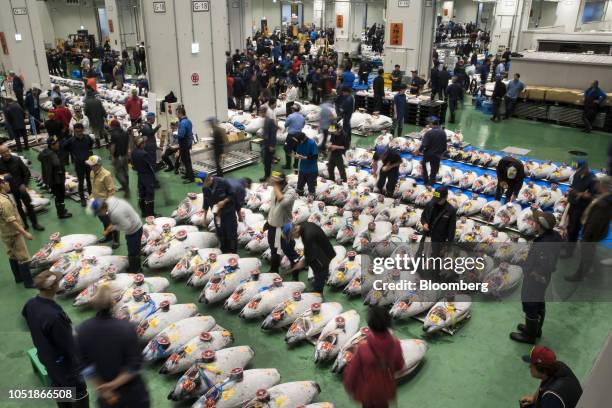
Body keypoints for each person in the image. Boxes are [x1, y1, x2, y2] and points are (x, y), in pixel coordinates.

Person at [22, 270, 90, 407]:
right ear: (52, 287)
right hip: (66, 368)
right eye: (58, 281)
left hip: (48, 360)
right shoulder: (54, 317)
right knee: (77, 394)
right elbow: (68, 346)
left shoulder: (31, 304)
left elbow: (27, 318)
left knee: (59, 391)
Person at [76, 285, 150, 407]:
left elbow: (86, 367)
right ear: (113, 303)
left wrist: (103, 388)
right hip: (133, 395)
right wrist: (114, 384)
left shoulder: (82, 330)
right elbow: (134, 365)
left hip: (107, 397)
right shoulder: (127, 328)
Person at [510, 209, 561, 344]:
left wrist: (534, 272)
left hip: (536, 278)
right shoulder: (554, 236)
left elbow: (546, 263)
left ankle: (529, 336)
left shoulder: (544, 243)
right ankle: (535, 329)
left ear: (540, 226)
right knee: (538, 301)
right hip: (542, 279)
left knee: (530, 303)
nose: (533, 223)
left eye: (535, 222)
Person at [343, 306, 405, 408]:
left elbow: (352, 372)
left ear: (370, 325)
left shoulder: (362, 348)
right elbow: (400, 366)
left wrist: (349, 387)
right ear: (388, 324)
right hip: (385, 391)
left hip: (367, 392)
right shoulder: (395, 344)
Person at [565, 176, 611, 282]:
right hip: (595, 232)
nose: (595, 185)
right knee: (591, 253)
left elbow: (596, 222)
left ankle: (579, 275)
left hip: (591, 233)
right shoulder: (605, 197)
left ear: (602, 185)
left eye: (597, 183)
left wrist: (586, 236)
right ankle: (597, 273)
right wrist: (583, 195)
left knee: (587, 254)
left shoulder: (604, 204)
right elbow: (596, 199)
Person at [89, 197, 143, 273]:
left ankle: (136, 270)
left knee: (133, 251)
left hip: (134, 229)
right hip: (132, 225)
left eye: (98, 213)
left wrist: (111, 228)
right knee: (132, 248)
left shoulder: (116, 213)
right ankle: (134, 266)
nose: (99, 215)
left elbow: (127, 226)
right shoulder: (110, 200)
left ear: (102, 209)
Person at [201, 173, 248, 254]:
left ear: (208, 179)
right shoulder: (205, 188)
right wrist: (204, 218)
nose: (203, 186)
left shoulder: (222, 182)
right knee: (220, 233)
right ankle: (224, 250)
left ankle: (233, 252)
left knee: (231, 234)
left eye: (204, 183)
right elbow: (206, 202)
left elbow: (233, 195)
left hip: (228, 213)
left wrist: (224, 202)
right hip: (217, 215)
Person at [0, 176, 34, 287]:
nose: (8, 184)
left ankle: (18, 278)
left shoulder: (2, 198)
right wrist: (25, 233)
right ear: (2, 185)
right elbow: (12, 221)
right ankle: (29, 283)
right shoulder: (4, 202)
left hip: (4, 232)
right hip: (13, 233)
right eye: (6, 182)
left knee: (12, 255)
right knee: (23, 257)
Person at [0, 145, 44, 230]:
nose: (7, 153)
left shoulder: (17, 160)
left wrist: (24, 184)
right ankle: (24, 225)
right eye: (4, 152)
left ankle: (35, 224)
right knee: (17, 209)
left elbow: (26, 173)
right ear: (1, 154)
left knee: (29, 206)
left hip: (21, 188)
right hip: (10, 192)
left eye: (7, 151)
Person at [286, 221, 336, 294]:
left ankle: (318, 292)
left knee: (320, 272)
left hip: (322, 254)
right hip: (320, 247)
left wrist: (304, 262)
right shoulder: (303, 225)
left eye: (292, 236)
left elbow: (312, 254)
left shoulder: (308, 235)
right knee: (316, 269)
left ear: (295, 229)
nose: (293, 238)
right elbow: (308, 248)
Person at [266, 172, 299, 274]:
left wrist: (275, 187)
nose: (271, 184)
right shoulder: (275, 189)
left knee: (289, 251)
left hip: (285, 227)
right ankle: (274, 270)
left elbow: (283, 202)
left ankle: (296, 272)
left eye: (274, 182)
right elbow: (273, 207)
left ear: (281, 183)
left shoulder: (291, 192)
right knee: (274, 250)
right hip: (273, 226)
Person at [420, 186, 457, 272]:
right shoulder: (430, 204)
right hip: (426, 237)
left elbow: (451, 230)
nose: (436, 201)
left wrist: (448, 246)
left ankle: (433, 279)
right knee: (421, 258)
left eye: (439, 199)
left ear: (446, 197)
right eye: (436, 199)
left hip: (438, 242)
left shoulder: (450, 211)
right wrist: (424, 223)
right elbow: (423, 216)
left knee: (435, 263)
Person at [86, 155, 119, 249]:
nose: (91, 167)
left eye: (92, 165)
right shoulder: (92, 172)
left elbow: (111, 191)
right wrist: (91, 197)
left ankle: (116, 241)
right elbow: (93, 188)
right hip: (97, 202)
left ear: (98, 165)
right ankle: (108, 236)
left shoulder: (106, 175)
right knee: (104, 221)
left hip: (106, 203)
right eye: (90, 165)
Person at [38, 136, 72, 219]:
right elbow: (57, 164)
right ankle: (61, 213)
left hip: (53, 179)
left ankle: (62, 210)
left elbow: (39, 157)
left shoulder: (45, 152)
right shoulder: (52, 154)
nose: (58, 144)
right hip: (56, 179)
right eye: (56, 143)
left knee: (58, 195)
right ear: (52, 145)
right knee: (60, 196)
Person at [64, 123, 93, 207]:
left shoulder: (87, 138)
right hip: (79, 164)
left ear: (82, 130)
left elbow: (91, 144)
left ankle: (91, 196)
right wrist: (72, 152)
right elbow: (65, 146)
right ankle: (82, 199)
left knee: (89, 180)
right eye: (77, 132)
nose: (79, 133)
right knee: (80, 181)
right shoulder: (71, 140)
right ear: (74, 131)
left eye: (80, 131)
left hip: (88, 163)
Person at [131, 137, 156, 217]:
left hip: (140, 175)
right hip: (147, 176)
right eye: (144, 143)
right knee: (150, 194)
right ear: (141, 144)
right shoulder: (144, 153)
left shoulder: (133, 152)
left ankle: (143, 212)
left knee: (142, 193)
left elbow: (133, 166)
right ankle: (150, 214)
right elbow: (151, 166)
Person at [417, 116, 447, 186]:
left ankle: (426, 183)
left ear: (431, 123)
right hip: (437, 156)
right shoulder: (443, 132)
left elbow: (424, 144)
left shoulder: (429, 133)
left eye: (429, 123)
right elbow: (444, 146)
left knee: (425, 169)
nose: (428, 124)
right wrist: (442, 154)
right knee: (434, 171)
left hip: (428, 155)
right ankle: (431, 184)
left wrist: (418, 151)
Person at [108, 119, 130, 196]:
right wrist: (127, 154)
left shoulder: (113, 134)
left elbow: (113, 146)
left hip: (118, 156)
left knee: (118, 174)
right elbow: (127, 144)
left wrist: (113, 157)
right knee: (125, 172)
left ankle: (126, 187)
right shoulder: (125, 132)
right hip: (125, 156)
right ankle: (126, 187)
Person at [283, 104, 305, 169]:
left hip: (291, 136)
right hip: (299, 136)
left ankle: (288, 165)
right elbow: (303, 125)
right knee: (297, 151)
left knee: (287, 149)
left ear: (293, 109)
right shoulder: (302, 117)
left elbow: (286, 125)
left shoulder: (290, 116)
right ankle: (295, 164)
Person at [177, 106, 195, 183]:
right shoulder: (188, 121)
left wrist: (175, 135)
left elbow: (181, 135)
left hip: (184, 143)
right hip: (188, 142)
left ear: (180, 113)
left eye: (177, 114)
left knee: (186, 161)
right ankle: (188, 174)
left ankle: (191, 178)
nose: (176, 115)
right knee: (185, 160)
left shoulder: (183, 122)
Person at [260, 107, 277, 181]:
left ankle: (267, 177)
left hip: (269, 145)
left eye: (261, 112)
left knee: (267, 162)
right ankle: (267, 176)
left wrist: (272, 145)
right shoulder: (265, 120)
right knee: (265, 161)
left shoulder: (270, 121)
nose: (260, 114)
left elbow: (273, 134)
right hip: (265, 143)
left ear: (264, 112)